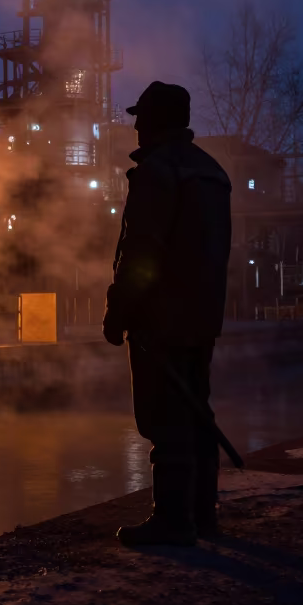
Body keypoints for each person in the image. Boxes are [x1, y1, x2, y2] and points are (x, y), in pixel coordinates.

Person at [103, 81, 232, 547]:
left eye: (141, 117)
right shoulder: (212, 172)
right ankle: (202, 515)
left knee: (164, 416)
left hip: (162, 316)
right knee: (197, 410)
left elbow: (142, 252)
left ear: (157, 120)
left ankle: (173, 521)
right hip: (204, 315)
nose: (134, 126)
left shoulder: (159, 172)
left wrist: (119, 311)